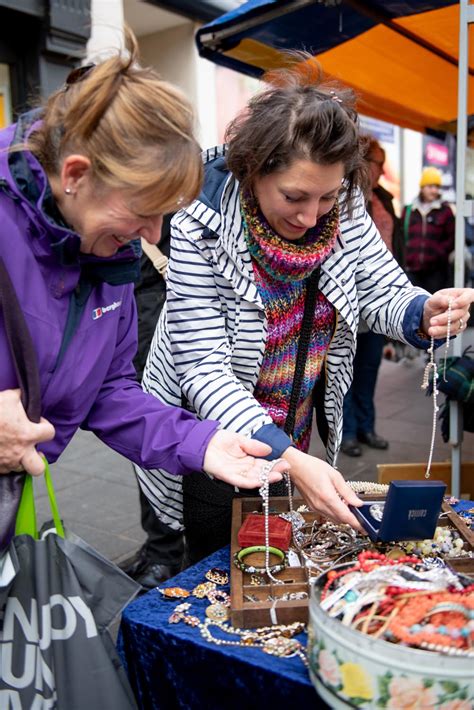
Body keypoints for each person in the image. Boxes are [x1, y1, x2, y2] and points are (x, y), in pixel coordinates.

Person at [136, 59, 474, 566]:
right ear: (251, 170)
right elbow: (202, 366)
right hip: (213, 434)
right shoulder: (195, 221)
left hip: (293, 422)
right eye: (293, 196)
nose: (311, 216)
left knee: (282, 554)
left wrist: (422, 311)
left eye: (327, 197)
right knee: (221, 560)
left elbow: (377, 284)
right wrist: (290, 460)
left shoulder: (346, 205)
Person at [0, 30, 290, 550]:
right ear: (75, 175)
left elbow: (109, 390)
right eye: (143, 211)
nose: (156, 236)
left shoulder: (111, 256)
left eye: (165, 215)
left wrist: (202, 443)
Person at [341, 138, 403, 457]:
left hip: (381, 296)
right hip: (350, 298)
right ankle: (347, 432)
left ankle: (367, 427)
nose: (381, 169)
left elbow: (396, 245)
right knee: (344, 370)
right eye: (377, 162)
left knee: (369, 367)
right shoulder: (344, 199)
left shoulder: (383, 199)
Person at [402, 166, 455, 293]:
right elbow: (401, 237)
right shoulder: (409, 210)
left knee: (435, 308)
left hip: (436, 273)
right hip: (411, 271)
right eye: (430, 186)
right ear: (422, 187)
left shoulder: (445, 211)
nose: (434, 190)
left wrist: (439, 253)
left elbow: (453, 239)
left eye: (437, 187)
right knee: (414, 307)